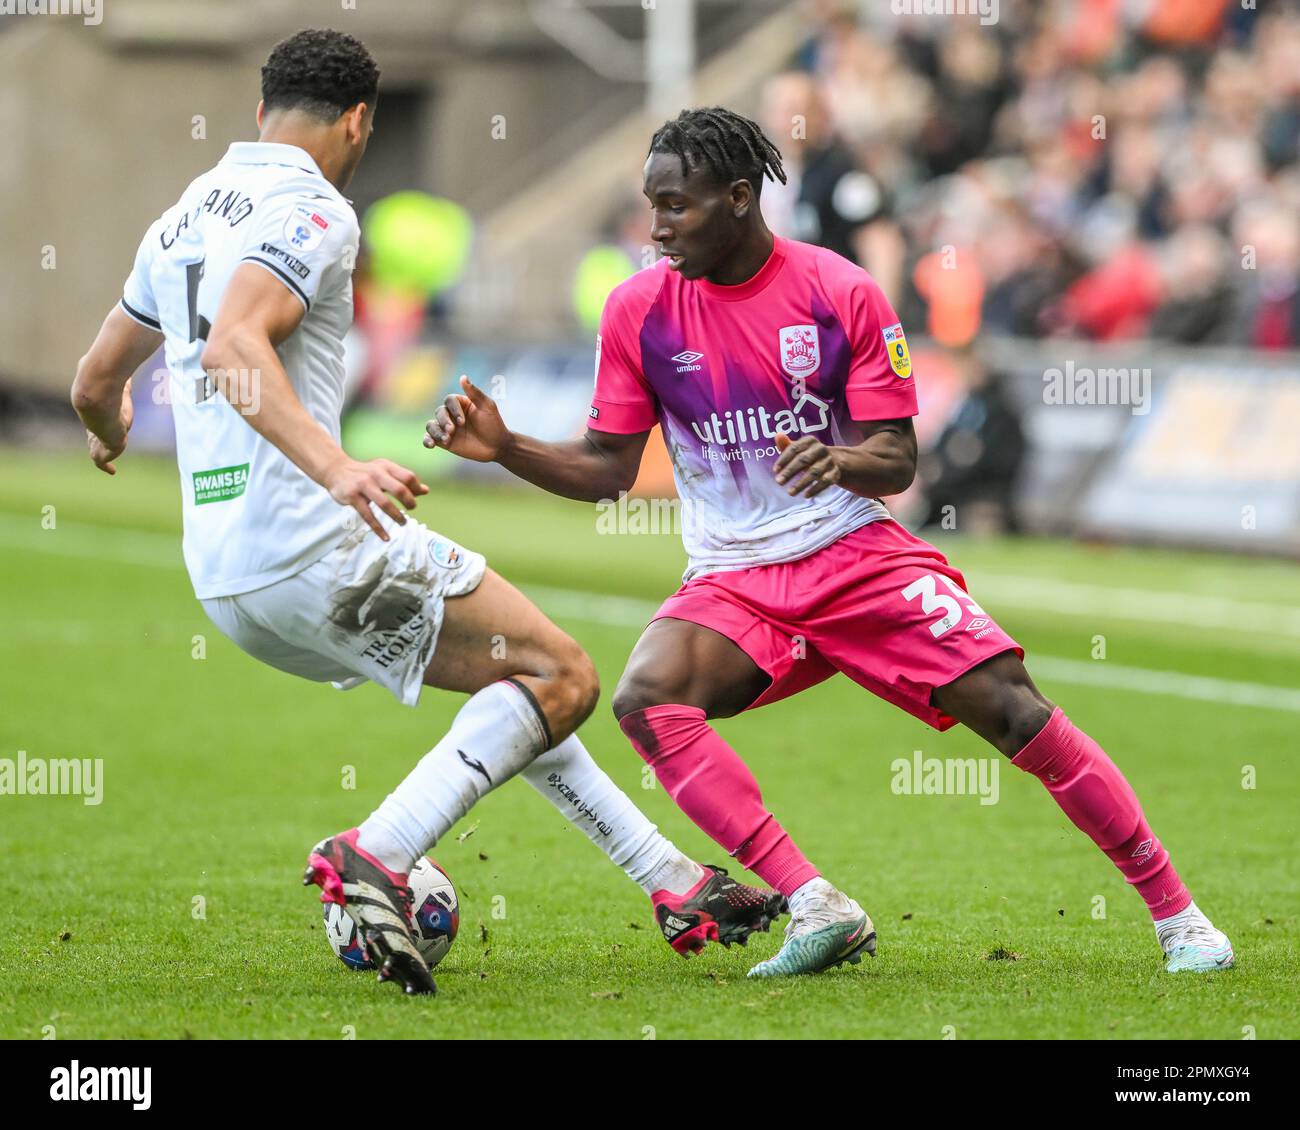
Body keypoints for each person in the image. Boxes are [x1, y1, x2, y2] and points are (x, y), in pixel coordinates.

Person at [425, 107, 1234, 978]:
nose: (656, 228)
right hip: (733, 578)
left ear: (739, 198)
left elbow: (897, 458)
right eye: (651, 206)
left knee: (1016, 710)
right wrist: (507, 448)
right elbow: (607, 469)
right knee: (647, 699)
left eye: (676, 206)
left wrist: (838, 458)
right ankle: (816, 903)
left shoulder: (837, 290)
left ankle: (1178, 915)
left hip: (852, 553)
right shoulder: (637, 311)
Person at [69, 37, 783, 997]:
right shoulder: (313, 209)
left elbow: (92, 379)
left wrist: (105, 421)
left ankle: (675, 883)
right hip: (317, 544)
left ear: (259, 112)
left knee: (521, 684)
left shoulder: (179, 217)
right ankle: (380, 852)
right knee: (565, 672)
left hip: (228, 577)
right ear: (360, 120)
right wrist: (340, 468)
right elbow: (238, 345)